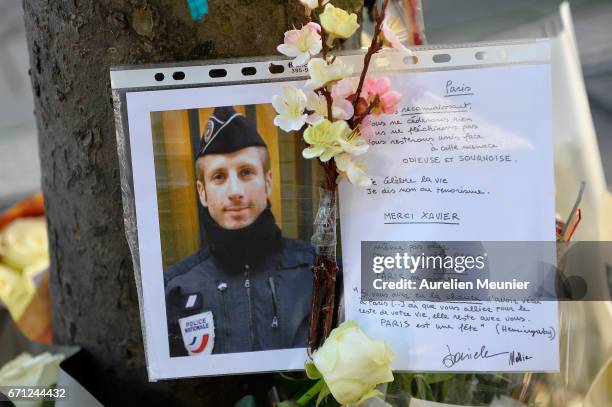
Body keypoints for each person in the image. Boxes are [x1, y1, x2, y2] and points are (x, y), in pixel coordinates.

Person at [164, 106, 314, 356]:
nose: (235, 191)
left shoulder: (316, 271)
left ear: (267, 182)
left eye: (246, 172)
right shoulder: (175, 289)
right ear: (202, 192)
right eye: (219, 176)